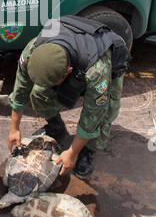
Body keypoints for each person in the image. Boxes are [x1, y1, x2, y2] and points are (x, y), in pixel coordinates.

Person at [8, 15, 130, 180]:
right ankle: (56, 126)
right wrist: (14, 128)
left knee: (105, 112)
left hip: (108, 59)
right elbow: (20, 90)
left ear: (68, 71)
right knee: (38, 92)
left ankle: (88, 150)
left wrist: (72, 153)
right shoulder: (32, 51)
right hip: (74, 52)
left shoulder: (97, 70)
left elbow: (92, 117)